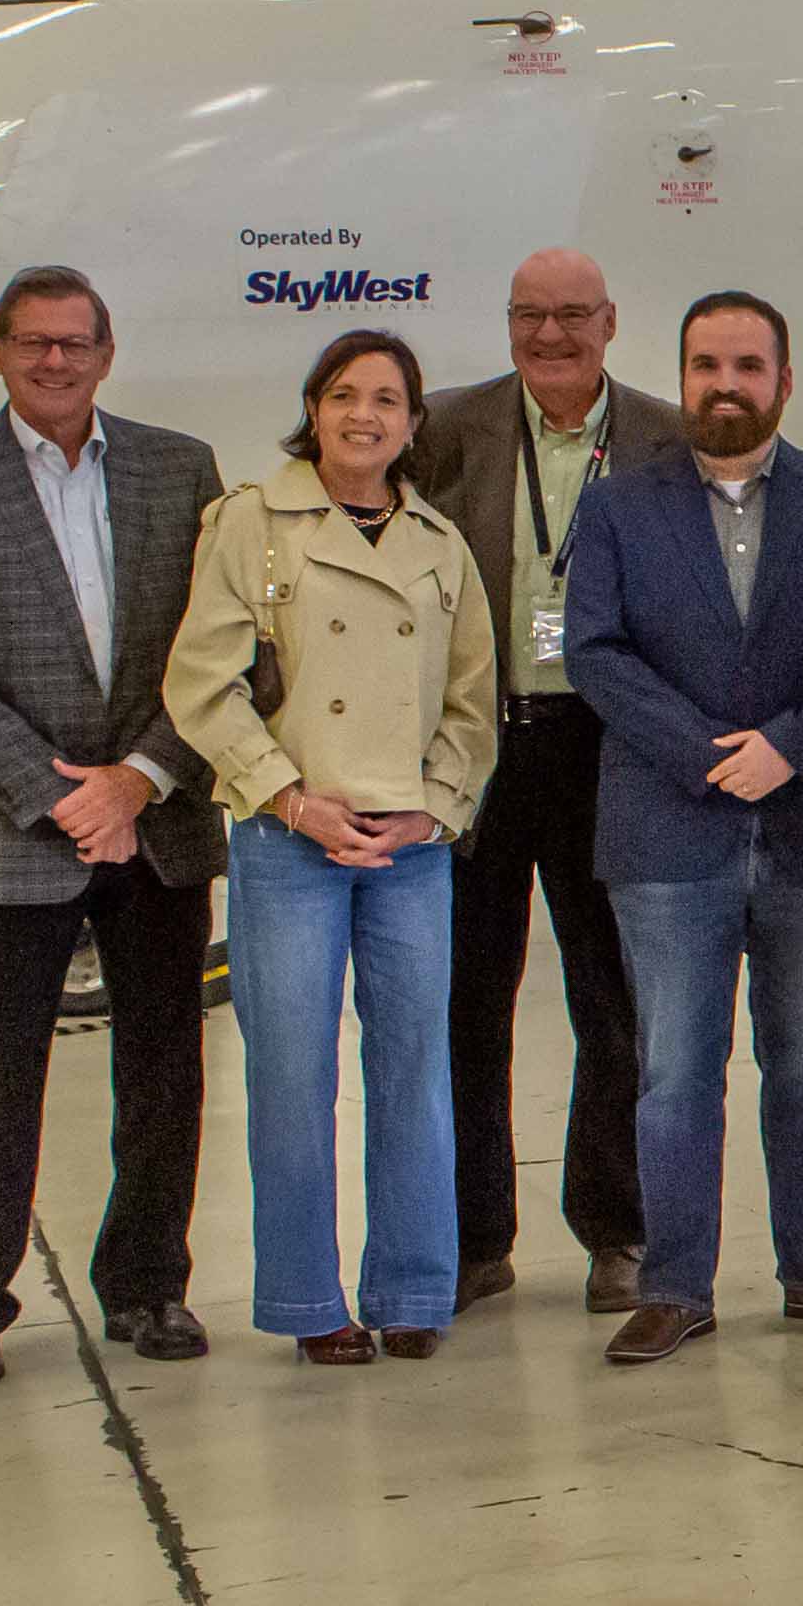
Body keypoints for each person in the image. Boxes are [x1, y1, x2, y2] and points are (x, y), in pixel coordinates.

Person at [0, 269, 230, 1384]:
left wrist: (139, 778)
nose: (54, 362)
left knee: (166, 1069)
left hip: (158, 823)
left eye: (74, 343)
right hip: (13, 836)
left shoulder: (181, 471)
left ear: (107, 351)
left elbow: (220, 649)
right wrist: (63, 795)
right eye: (32, 344)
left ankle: (147, 1283)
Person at [568, 294, 803, 1362]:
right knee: (673, 1071)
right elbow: (595, 650)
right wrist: (708, 753)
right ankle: (673, 1286)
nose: (726, 382)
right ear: (680, 375)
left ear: (784, 379)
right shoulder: (619, 506)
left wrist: (789, 748)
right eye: (706, 363)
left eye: (748, 364)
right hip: (668, 834)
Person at [166, 330, 499, 1363]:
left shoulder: (439, 544)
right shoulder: (250, 523)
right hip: (291, 837)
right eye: (345, 394)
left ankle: (411, 1288)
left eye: (388, 399)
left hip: (408, 848)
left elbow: (472, 705)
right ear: (312, 407)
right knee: (293, 1073)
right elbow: (200, 683)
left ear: (411, 423)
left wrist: (432, 808)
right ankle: (308, 1299)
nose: (365, 415)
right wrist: (287, 798)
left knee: (414, 1069)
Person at [406, 250, 683, 1311]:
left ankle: (617, 1228)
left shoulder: (662, 436)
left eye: (572, 315)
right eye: (530, 314)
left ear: (611, 322)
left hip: (611, 748)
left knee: (611, 1000)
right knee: (467, 997)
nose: (551, 334)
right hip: (478, 745)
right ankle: (475, 1236)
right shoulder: (444, 428)